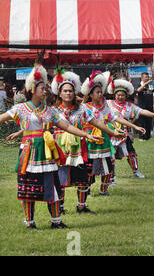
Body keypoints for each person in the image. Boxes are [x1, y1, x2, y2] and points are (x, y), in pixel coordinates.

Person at [0, 64, 103, 229]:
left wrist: (86, 134)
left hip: (47, 153)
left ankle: (56, 221)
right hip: (29, 152)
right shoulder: (20, 109)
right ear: (33, 89)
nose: (45, 91)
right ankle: (29, 222)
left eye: (46, 88)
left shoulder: (51, 111)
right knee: (28, 188)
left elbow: (68, 126)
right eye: (42, 88)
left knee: (53, 185)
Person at [51, 69, 125, 214]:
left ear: (74, 93)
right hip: (60, 147)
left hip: (79, 146)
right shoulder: (53, 111)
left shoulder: (82, 109)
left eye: (71, 91)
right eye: (65, 91)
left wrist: (113, 132)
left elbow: (96, 122)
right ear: (59, 93)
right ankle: (60, 207)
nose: (68, 93)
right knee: (61, 178)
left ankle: (81, 206)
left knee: (83, 178)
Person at [81, 71, 145, 196]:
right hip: (90, 141)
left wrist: (133, 126)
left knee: (108, 167)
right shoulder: (84, 107)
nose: (100, 95)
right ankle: (86, 190)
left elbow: (114, 118)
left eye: (101, 92)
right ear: (90, 94)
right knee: (89, 168)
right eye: (97, 92)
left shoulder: (104, 107)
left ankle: (104, 190)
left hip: (104, 139)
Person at [106, 78, 154, 179]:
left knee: (131, 153)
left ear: (126, 96)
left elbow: (142, 111)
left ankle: (135, 171)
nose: (120, 97)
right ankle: (111, 175)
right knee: (111, 156)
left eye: (122, 95)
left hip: (124, 134)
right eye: (118, 95)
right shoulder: (108, 104)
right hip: (111, 133)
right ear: (114, 95)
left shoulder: (130, 106)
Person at [136, 72, 154, 141]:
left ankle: (147, 137)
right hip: (142, 107)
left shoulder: (150, 85)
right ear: (142, 78)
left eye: (148, 77)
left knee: (149, 122)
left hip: (149, 106)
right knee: (142, 122)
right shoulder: (139, 84)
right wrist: (145, 84)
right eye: (146, 77)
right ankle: (141, 137)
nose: (147, 78)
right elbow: (138, 90)